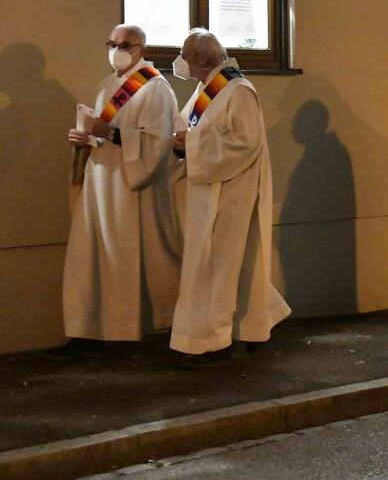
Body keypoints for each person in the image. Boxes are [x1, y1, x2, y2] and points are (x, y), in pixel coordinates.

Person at [50, 24, 182, 358]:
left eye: (124, 44)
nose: (116, 49)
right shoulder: (108, 84)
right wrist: (86, 139)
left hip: (131, 189)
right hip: (101, 183)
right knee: (89, 257)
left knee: (125, 257)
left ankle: (125, 333)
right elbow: (103, 134)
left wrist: (108, 133)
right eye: (111, 43)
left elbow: (158, 143)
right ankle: (87, 330)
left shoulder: (155, 88)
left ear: (142, 48)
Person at [169, 29, 291, 366]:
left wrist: (190, 145)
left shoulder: (237, 90)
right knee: (216, 267)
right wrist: (183, 142)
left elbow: (244, 143)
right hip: (209, 191)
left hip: (230, 195)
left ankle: (213, 342)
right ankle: (245, 327)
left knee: (216, 268)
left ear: (204, 60)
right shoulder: (207, 89)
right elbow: (193, 128)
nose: (179, 61)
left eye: (185, 54)